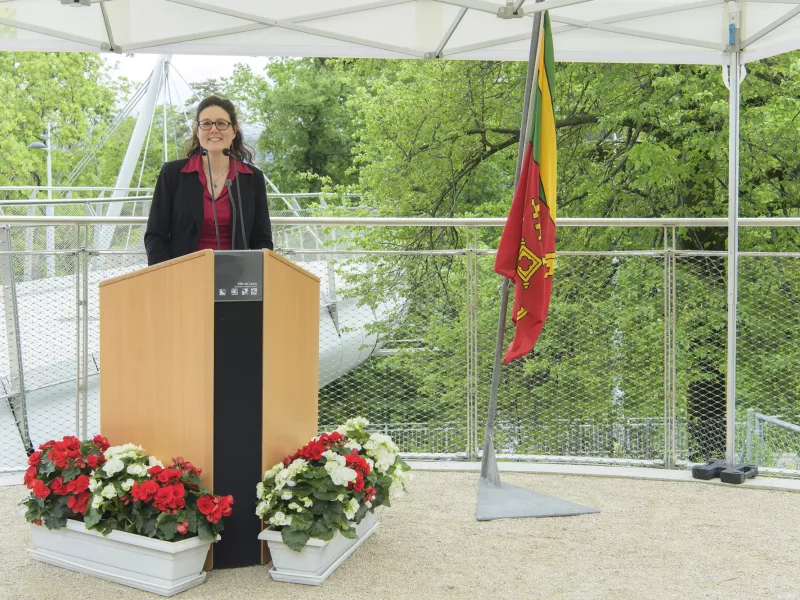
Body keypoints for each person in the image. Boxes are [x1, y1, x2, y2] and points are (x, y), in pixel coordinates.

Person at [144, 96, 273, 266]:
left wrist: (256, 276)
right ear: (198, 131)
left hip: (235, 278)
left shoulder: (251, 177)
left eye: (221, 123)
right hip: (182, 277)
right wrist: (166, 276)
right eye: (206, 123)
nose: (213, 130)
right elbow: (155, 235)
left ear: (234, 131)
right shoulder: (173, 173)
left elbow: (262, 240)